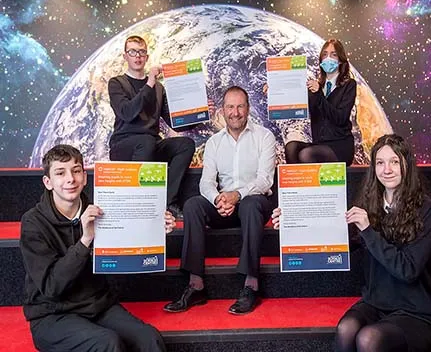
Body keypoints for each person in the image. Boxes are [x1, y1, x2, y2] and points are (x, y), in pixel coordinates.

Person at [273, 134, 431, 352]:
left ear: (406, 165)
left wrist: (368, 230)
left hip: (414, 310)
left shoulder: (427, 210)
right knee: (346, 328)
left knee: (369, 338)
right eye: (380, 163)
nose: (387, 169)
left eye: (394, 162)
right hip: (375, 303)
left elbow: (408, 270)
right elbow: (339, 242)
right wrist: (292, 222)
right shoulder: (368, 204)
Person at [20, 144, 176, 352]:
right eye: (60, 173)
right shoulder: (33, 223)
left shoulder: (102, 210)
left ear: (84, 177)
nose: (70, 179)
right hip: (52, 315)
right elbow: (51, 287)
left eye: (76, 171)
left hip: (97, 305)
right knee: (107, 342)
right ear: (48, 182)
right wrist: (85, 240)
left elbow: (129, 239)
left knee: (149, 338)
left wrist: (155, 228)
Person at [163, 86, 276, 315]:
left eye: (240, 106)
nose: (235, 112)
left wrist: (238, 195)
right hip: (224, 204)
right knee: (193, 205)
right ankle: (196, 286)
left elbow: (265, 180)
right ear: (223, 111)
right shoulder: (214, 142)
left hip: (254, 202)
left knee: (251, 204)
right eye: (230, 107)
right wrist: (218, 199)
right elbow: (206, 182)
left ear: (248, 108)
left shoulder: (264, 136)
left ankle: (251, 285)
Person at [108, 35, 195, 217]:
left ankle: (168, 202)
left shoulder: (158, 88)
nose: (137, 56)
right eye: (133, 52)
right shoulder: (116, 83)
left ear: (146, 57)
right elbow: (127, 112)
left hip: (150, 144)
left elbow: (173, 123)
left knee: (185, 144)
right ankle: (143, 204)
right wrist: (149, 83)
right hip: (124, 145)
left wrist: (199, 114)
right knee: (146, 141)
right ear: (125, 56)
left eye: (141, 52)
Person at [284, 39, 357, 166]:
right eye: (325, 54)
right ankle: (299, 186)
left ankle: (312, 186)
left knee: (306, 154)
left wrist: (319, 94)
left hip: (340, 145)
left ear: (340, 60)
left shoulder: (349, 85)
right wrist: (275, 90)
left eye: (333, 54)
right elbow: (295, 103)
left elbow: (340, 118)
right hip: (319, 144)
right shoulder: (316, 86)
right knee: (291, 147)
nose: (328, 58)